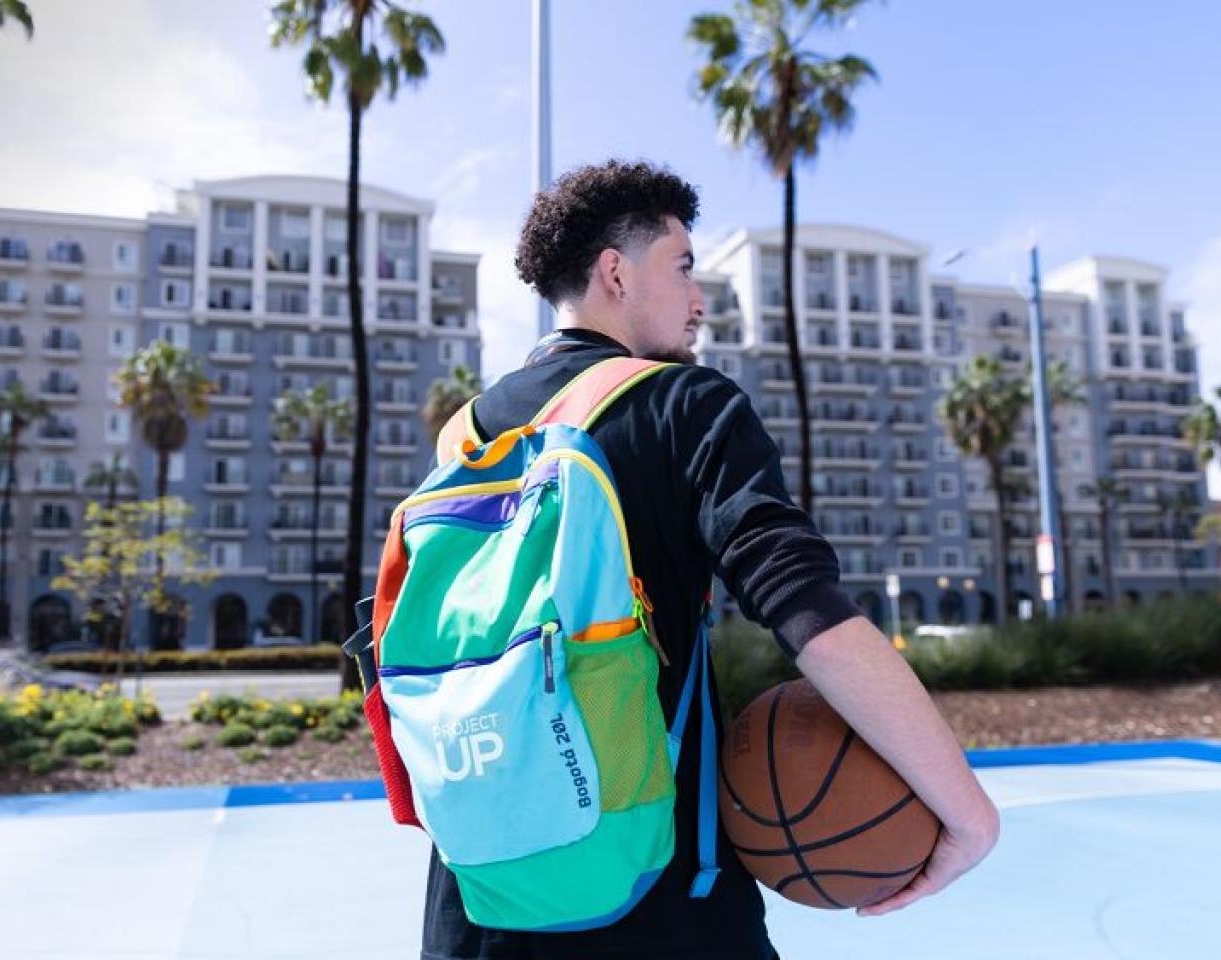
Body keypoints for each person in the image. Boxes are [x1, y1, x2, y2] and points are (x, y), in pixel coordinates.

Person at [419, 159, 999, 960]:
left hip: (476, 897)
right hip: (656, 900)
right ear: (614, 273)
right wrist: (967, 811)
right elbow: (806, 610)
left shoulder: (465, 435)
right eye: (684, 267)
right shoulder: (685, 402)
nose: (700, 299)